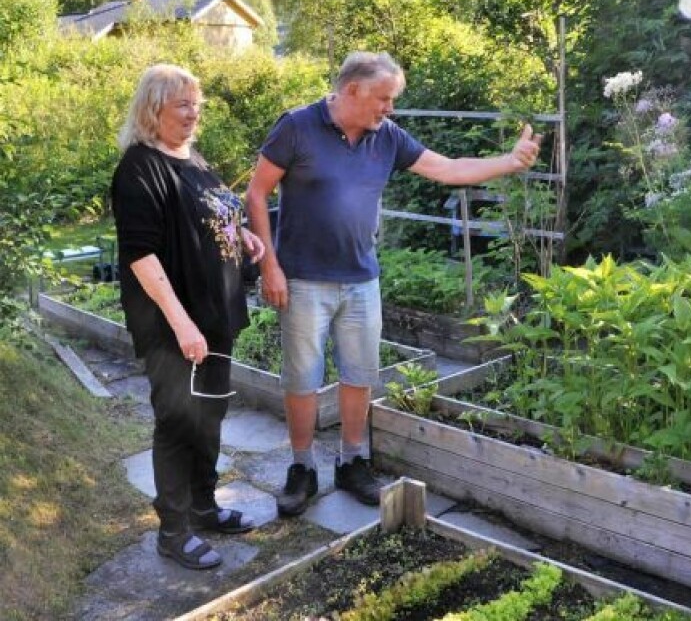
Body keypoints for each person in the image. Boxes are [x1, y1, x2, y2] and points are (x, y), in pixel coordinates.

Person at [246, 51, 541, 515]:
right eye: (384, 98)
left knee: (360, 374)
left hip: (362, 279)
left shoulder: (388, 137)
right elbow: (256, 193)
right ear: (352, 90)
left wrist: (508, 161)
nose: (389, 108)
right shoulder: (297, 126)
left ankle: (352, 462)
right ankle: (302, 468)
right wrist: (270, 266)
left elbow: (447, 169)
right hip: (303, 279)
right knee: (302, 379)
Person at [111, 64, 266, 569]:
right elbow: (141, 255)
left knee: (210, 417)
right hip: (174, 325)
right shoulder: (139, 168)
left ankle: (203, 506)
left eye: (196, 103)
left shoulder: (193, 159)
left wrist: (240, 235)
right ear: (153, 109)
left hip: (216, 315)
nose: (193, 112)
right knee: (178, 422)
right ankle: (173, 531)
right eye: (182, 103)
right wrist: (182, 325)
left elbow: (215, 213)